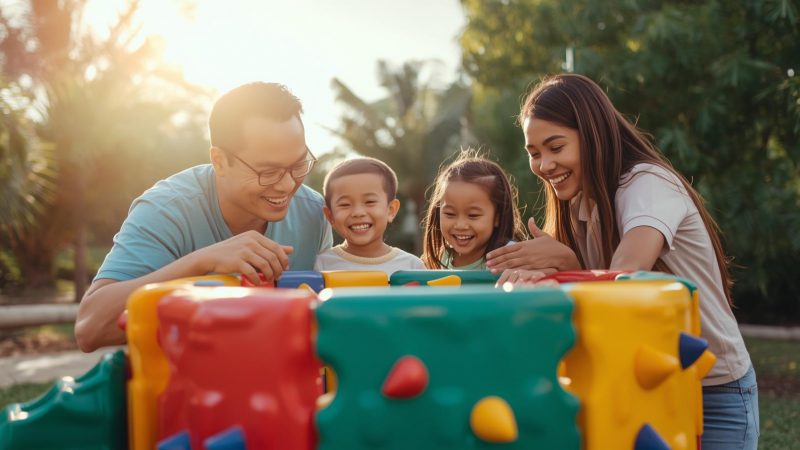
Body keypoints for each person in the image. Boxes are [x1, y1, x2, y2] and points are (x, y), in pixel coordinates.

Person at [486, 74, 758, 449]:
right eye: (534, 153)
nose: (545, 164)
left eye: (556, 147)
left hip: (714, 390)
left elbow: (626, 278)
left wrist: (567, 262)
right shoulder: (581, 206)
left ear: (593, 134)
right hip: (643, 382)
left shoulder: (647, 184)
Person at [75, 82, 332, 352]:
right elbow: (90, 329)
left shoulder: (313, 211)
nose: (288, 185)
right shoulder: (167, 210)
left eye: (298, 165)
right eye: (268, 172)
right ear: (219, 161)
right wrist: (201, 261)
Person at [314, 157, 425, 274]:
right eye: (345, 204)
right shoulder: (321, 265)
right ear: (330, 216)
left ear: (391, 210)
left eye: (370, 202)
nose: (358, 212)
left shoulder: (412, 267)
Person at [421, 150, 527, 269]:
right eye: (450, 214)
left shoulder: (509, 257)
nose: (460, 225)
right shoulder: (443, 257)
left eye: (473, 215)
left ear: (497, 217)